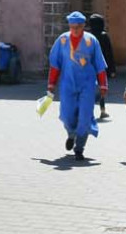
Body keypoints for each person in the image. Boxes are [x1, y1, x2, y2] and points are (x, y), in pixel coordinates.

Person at [48, 11, 108, 160]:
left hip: (87, 84)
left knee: (85, 116)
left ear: (83, 26)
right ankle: (71, 134)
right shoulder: (62, 40)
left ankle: (79, 147)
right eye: (72, 26)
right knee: (67, 115)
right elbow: (55, 64)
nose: (75, 29)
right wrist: (51, 84)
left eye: (78, 26)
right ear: (69, 25)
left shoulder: (91, 41)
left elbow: (99, 64)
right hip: (68, 84)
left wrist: (103, 85)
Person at [87, 13, 116, 120]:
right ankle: (102, 109)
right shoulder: (104, 36)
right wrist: (112, 68)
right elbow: (109, 53)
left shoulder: (88, 36)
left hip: (89, 67)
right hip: (101, 66)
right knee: (102, 87)